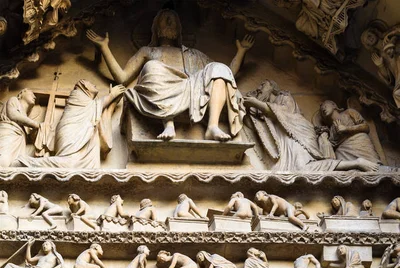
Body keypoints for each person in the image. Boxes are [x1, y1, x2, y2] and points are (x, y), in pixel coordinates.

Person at [87, 10, 253, 141]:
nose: (168, 21)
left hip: (192, 88)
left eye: (172, 19)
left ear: (179, 29)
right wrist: (104, 48)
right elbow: (122, 78)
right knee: (152, 67)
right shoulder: (148, 51)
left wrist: (241, 51)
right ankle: (168, 123)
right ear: (157, 29)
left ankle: (212, 126)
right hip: (161, 88)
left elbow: (227, 73)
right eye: (164, 19)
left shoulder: (193, 54)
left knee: (218, 68)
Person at [244, 80, 379, 172]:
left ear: (273, 88)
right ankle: (355, 163)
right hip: (288, 139)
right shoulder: (265, 112)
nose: (259, 88)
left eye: (263, 84)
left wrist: (255, 103)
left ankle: (357, 163)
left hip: (298, 135)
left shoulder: (284, 96)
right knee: (301, 169)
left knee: (305, 168)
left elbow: (281, 112)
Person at [19, 80, 125, 169]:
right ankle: (33, 163)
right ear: (83, 86)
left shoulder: (92, 106)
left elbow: (97, 115)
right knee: (69, 162)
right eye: (90, 83)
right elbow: (94, 107)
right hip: (71, 131)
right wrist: (111, 95)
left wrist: (113, 102)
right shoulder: (77, 94)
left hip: (79, 132)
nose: (95, 85)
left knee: (92, 135)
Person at [319, 100, 381, 166]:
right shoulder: (331, 129)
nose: (324, 109)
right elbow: (332, 145)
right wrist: (323, 137)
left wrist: (347, 128)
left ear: (334, 105)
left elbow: (365, 127)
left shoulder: (349, 112)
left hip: (359, 142)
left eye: (325, 106)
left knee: (374, 165)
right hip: (342, 151)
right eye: (322, 110)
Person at [0, 89, 39, 167]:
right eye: (31, 93)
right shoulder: (14, 100)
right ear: (22, 93)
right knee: (3, 161)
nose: (34, 97)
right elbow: (13, 115)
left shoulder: (25, 117)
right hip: (9, 132)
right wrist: (35, 124)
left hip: (19, 140)